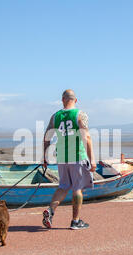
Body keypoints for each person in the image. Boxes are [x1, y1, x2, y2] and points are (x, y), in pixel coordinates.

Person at [42, 89, 96, 230]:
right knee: (78, 189)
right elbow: (87, 137)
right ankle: (75, 221)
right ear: (76, 100)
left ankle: (51, 210)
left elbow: (47, 137)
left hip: (62, 158)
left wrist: (45, 157)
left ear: (62, 100)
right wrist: (93, 159)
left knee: (63, 186)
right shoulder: (79, 114)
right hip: (77, 156)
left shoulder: (55, 116)